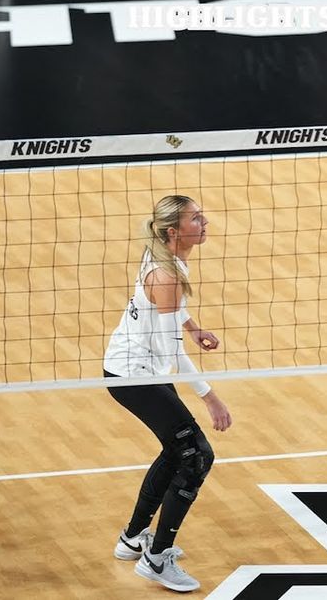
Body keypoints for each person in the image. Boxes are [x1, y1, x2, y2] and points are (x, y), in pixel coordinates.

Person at [103, 195, 232, 593]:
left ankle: (132, 540)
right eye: (196, 218)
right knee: (197, 456)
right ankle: (156, 559)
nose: (205, 221)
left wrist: (194, 327)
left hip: (138, 370)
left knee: (178, 450)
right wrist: (210, 396)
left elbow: (170, 313)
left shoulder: (163, 255)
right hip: (134, 377)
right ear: (174, 231)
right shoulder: (166, 273)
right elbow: (172, 352)